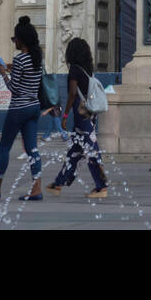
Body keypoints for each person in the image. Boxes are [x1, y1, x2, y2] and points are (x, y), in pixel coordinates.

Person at [0, 16, 44, 201]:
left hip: (19, 108)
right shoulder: (37, 58)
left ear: (21, 39)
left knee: (5, 147)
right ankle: (36, 188)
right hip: (34, 106)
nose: (13, 41)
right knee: (32, 149)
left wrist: (2, 74)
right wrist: (11, 68)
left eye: (14, 39)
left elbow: (14, 89)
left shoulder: (20, 59)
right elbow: (28, 78)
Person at [47, 38, 108, 198]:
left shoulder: (74, 69)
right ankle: (58, 183)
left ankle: (101, 187)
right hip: (89, 114)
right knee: (76, 149)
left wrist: (65, 115)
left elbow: (73, 94)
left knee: (89, 149)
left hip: (81, 115)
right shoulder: (87, 70)